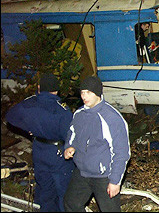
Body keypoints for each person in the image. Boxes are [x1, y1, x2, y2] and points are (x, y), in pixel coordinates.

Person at [5, 73, 74, 212]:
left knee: (44, 190)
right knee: (63, 192)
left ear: (38, 88)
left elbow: (10, 116)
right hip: (58, 154)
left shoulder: (30, 104)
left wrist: (29, 128)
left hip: (39, 150)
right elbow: (70, 134)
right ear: (56, 90)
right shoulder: (61, 109)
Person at [63, 76, 130, 212]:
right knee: (71, 204)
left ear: (98, 93)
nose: (84, 96)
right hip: (82, 172)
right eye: (82, 92)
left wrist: (115, 181)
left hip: (104, 176)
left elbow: (121, 152)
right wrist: (69, 146)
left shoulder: (111, 118)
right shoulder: (79, 114)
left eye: (88, 92)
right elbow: (72, 133)